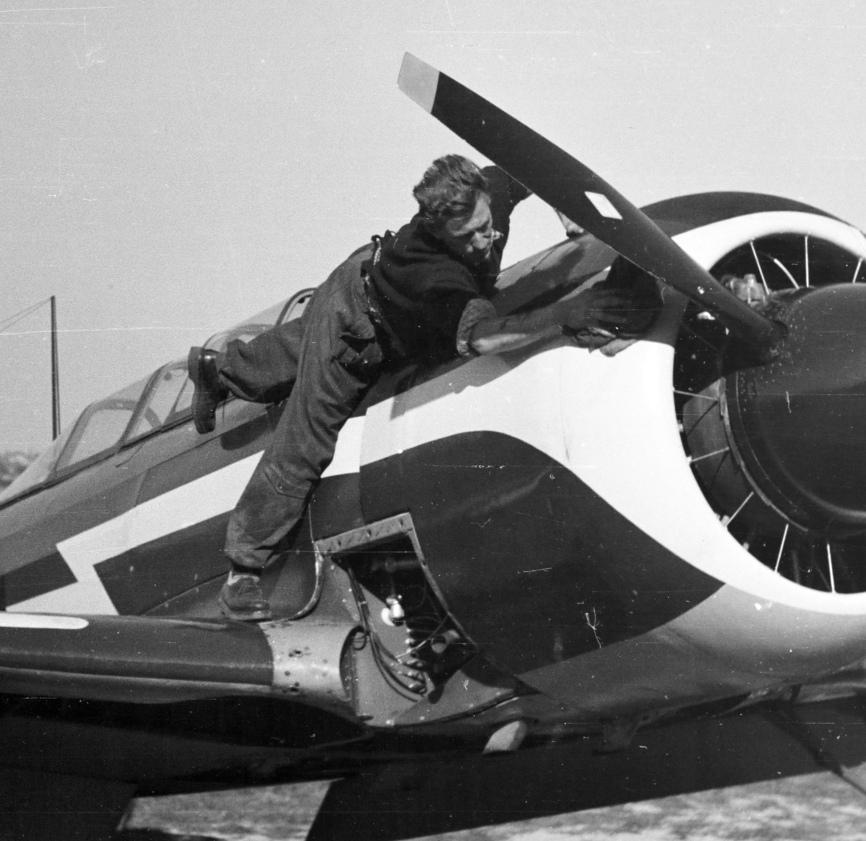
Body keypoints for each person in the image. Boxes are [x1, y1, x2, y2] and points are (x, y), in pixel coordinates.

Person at [189, 155, 655, 621]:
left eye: (483, 227)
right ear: (437, 232)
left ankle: (219, 370)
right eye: (465, 237)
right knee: (306, 438)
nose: (480, 243)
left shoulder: (488, 191)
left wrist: (566, 206)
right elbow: (483, 337)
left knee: (289, 354)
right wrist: (563, 315)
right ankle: (243, 572)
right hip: (357, 325)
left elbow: (529, 169)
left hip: (371, 279)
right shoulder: (429, 272)